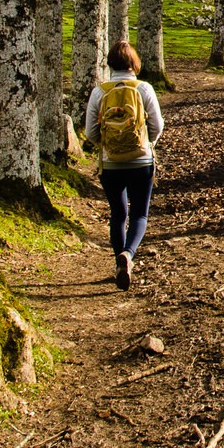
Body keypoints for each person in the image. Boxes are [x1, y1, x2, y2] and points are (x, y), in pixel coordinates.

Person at [84, 40, 164, 290]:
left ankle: (118, 262)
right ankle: (128, 255)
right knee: (140, 213)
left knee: (118, 214)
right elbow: (158, 126)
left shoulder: (100, 91)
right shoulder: (144, 88)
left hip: (111, 164)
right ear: (134, 63)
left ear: (110, 63)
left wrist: (107, 145)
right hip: (141, 161)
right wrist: (147, 142)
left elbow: (90, 132)